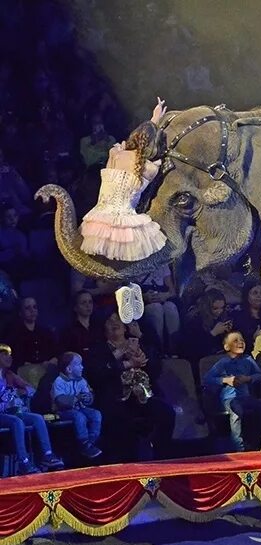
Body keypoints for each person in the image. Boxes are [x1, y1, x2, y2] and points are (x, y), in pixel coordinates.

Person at [79, 98, 167, 261]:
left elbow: (135, 143)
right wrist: (156, 122)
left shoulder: (115, 153)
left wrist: (153, 120)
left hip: (98, 224)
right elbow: (143, 150)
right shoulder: (151, 168)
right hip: (125, 229)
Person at [85, 312, 174, 461]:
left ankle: (162, 456)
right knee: (120, 419)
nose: (115, 322)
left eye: (118, 319)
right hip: (116, 397)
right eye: (110, 320)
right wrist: (124, 362)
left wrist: (143, 358)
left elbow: (156, 370)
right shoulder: (98, 350)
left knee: (166, 412)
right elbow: (96, 374)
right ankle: (127, 462)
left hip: (143, 394)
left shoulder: (137, 343)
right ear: (103, 327)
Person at [202, 332, 261, 452]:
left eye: (242, 340)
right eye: (235, 341)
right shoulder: (222, 363)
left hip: (247, 398)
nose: (240, 342)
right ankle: (239, 448)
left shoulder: (248, 360)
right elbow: (207, 379)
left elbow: (260, 375)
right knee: (236, 409)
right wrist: (226, 380)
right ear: (226, 346)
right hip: (229, 399)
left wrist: (248, 378)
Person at [0, 343, 64, 474]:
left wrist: (21, 392)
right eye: (4, 355)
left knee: (37, 418)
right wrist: (6, 401)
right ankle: (23, 461)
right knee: (16, 422)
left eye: (10, 355)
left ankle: (47, 455)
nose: (9, 358)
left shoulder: (10, 375)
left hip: (12, 412)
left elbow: (31, 390)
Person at [51, 352, 102, 459]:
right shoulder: (59, 381)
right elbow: (60, 400)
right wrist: (77, 398)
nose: (82, 367)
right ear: (69, 369)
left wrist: (88, 398)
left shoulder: (82, 381)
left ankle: (91, 441)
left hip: (80, 408)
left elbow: (88, 395)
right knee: (79, 416)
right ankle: (83, 442)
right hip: (63, 411)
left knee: (96, 414)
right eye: (79, 365)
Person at [134, 264, 181, 355]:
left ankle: (174, 349)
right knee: (156, 309)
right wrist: (143, 297)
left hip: (163, 299)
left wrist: (165, 295)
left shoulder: (162, 265)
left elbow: (172, 292)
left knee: (171, 308)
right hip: (143, 303)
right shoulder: (133, 267)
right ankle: (159, 349)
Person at [6, 296, 59, 368]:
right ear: (20, 312)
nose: (32, 310)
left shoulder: (46, 332)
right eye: (27, 308)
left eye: (34, 307)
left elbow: (56, 352)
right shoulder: (14, 334)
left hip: (46, 370)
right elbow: (13, 356)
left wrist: (52, 361)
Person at [59, 290, 100, 358]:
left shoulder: (98, 327)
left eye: (90, 302)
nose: (88, 305)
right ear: (75, 307)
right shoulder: (69, 330)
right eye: (83, 303)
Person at [235, 278, 261, 354]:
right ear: (247, 296)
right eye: (255, 293)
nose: (259, 296)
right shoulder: (239, 318)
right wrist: (254, 339)